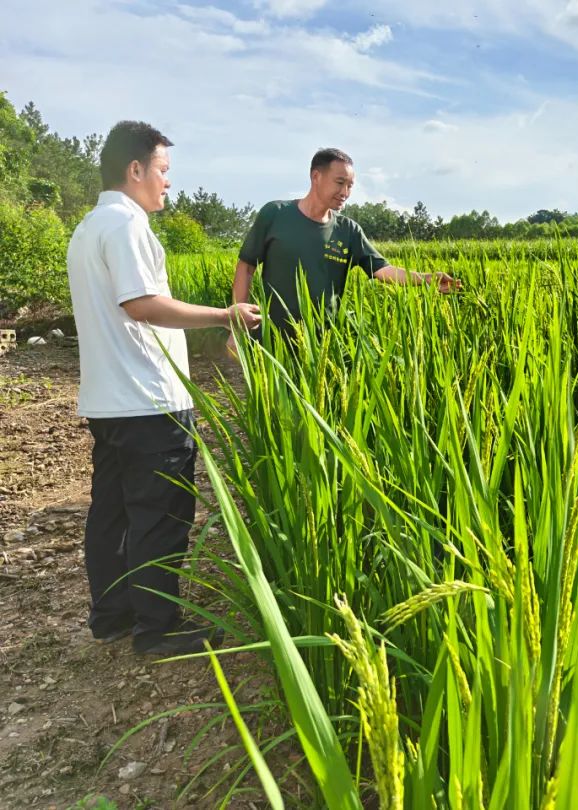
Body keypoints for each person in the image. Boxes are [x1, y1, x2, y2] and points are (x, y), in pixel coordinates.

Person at [66, 120, 261, 656]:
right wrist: (226, 315)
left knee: (113, 513)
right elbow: (141, 304)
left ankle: (112, 615)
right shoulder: (126, 227)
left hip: (110, 401)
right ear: (135, 170)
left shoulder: (89, 226)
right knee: (160, 515)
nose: (168, 183)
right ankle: (159, 630)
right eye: (163, 171)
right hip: (148, 401)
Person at [227, 148, 458, 349]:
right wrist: (236, 326)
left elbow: (382, 270)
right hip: (270, 340)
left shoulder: (348, 231)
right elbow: (246, 267)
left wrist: (427, 279)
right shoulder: (275, 214)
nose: (345, 193)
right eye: (340, 183)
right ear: (316, 176)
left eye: (350, 185)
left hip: (323, 344)